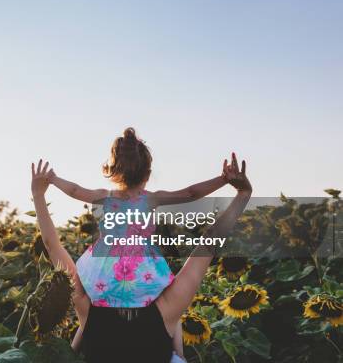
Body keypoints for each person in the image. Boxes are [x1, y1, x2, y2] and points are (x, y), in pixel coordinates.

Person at [30, 135, 252, 362]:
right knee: (173, 319)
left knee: (84, 314)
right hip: (142, 275)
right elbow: (192, 197)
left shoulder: (104, 197)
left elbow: (55, 236)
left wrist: (44, 189)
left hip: (103, 278)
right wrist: (227, 182)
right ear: (147, 175)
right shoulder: (151, 200)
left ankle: (74, 350)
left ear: (113, 170)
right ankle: (178, 356)